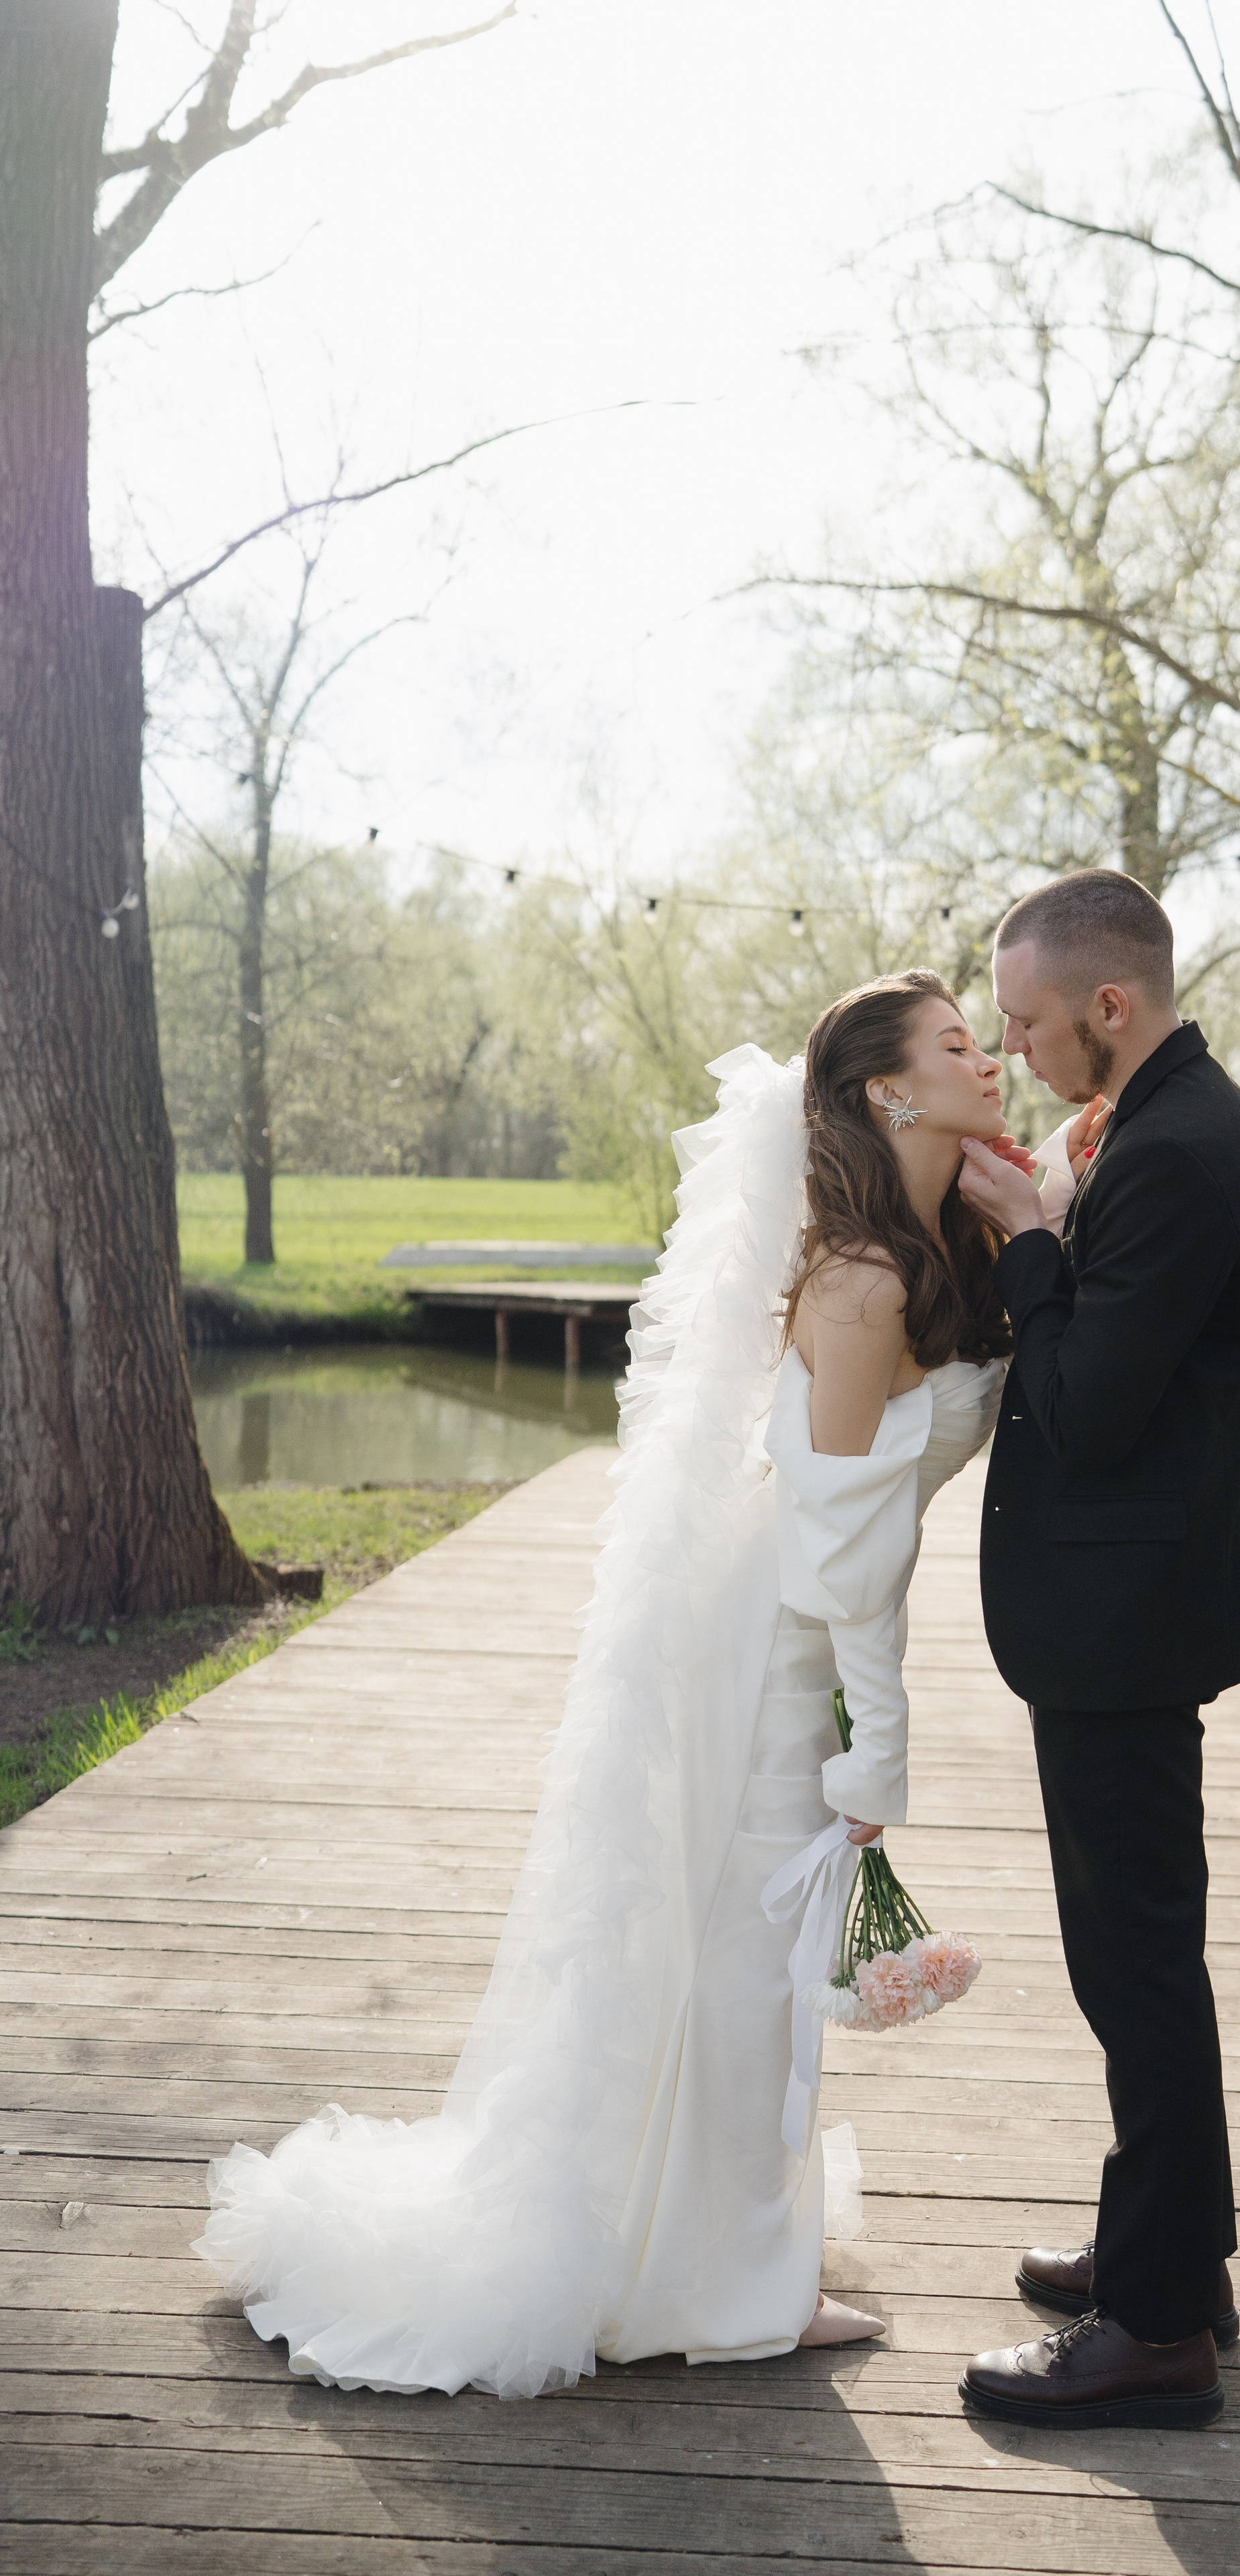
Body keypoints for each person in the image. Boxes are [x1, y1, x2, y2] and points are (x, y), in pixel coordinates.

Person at [193, 971, 1014, 2396]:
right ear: (886, 1091)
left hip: (797, 1624)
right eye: (956, 1045)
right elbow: (835, 1548)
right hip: (776, 1646)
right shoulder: (866, 1281)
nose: (989, 1057)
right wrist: (871, 1750)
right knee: (745, 1966)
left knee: (744, 1959)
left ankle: (728, 2256)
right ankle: (724, 2284)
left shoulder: (923, 1249)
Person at [954, 869, 1240, 2433]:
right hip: (1127, 1608)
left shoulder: (1176, 1152)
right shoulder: (1157, 1128)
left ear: (1109, 1006)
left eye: (1025, 1023)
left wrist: (1029, 1233)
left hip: (1126, 1619)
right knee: (1134, 1955)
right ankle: (1175, 2258)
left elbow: (1088, 1406)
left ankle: (1155, 2330)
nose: (1015, 1052)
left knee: (1136, 1961)